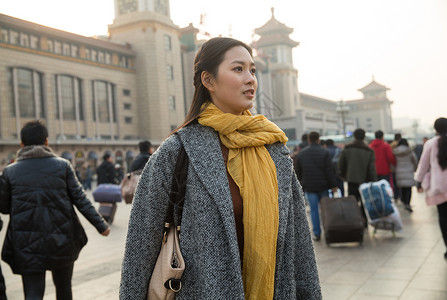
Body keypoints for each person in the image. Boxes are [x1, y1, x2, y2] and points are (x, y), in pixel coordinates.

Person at [120, 37, 321, 299]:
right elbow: (141, 245)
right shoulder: (177, 151)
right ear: (209, 81)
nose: (250, 79)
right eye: (238, 69)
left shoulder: (273, 148)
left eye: (252, 70)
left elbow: (299, 243)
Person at [0, 120, 110, 300]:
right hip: (62, 239)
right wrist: (101, 226)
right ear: (46, 142)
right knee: (64, 289)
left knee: (33, 293)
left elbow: (4, 208)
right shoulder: (63, 165)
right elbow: (80, 198)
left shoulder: (10, 172)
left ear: (21, 144)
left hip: (26, 242)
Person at [415, 117, 447, 259]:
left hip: (439, 187)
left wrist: (418, 181)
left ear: (435, 129)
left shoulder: (430, 143)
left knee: (443, 217)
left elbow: (423, 165)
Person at [296, 132, 338, 241]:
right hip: (323, 186)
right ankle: (329, 231)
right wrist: (333, 185)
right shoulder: (325, 152)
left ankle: (317, 233)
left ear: (309, 140)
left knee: (314, 210)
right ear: (318, 140)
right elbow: (329, 171)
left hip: (309, 187)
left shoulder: (301, 154)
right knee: (325, 209)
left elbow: (298, 172)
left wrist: (303, 182)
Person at [339, 128, 377, 227]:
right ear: (364, 137)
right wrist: (373, 180)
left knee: (353, 202)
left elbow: (341, 163)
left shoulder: (347, 148)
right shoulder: (369, 150)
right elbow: (372, 168)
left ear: (354, 136)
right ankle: (364, 221)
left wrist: (342, 175)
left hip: (351, 179)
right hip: (365, 181)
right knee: (365, 203)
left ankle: (354, 222)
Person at [393, 138, 418, 212]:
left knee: (402, 188)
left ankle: (403, 201)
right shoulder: (410, 151)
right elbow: (415, 160)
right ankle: (407, 203)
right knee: (408, 189)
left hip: (398, 171)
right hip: (408, 171)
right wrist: (414, 168)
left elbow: (393, 161)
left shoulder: (395, 151)